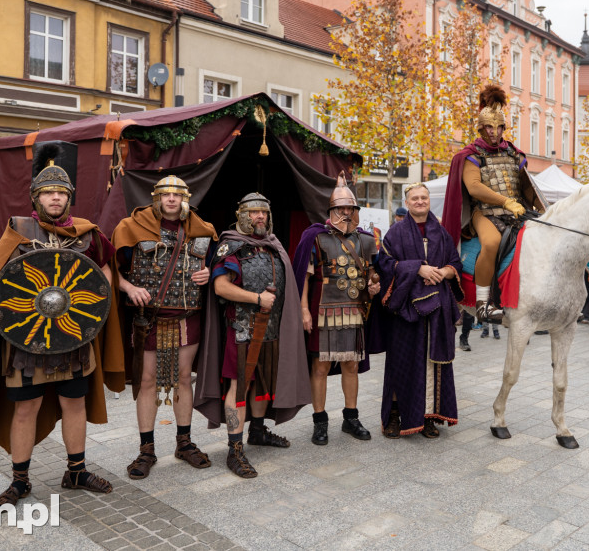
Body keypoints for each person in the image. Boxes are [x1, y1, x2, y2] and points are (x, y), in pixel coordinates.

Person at [0, 142, 125, 505]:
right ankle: (20, 480)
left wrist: (93, 304)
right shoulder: (18, 229)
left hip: (73, 337)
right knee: (25, 407)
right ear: (36, 197)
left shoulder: (87, 234)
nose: (55, 198)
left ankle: (76, 471)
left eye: (61, 193)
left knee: (74, 404)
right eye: (48, 192)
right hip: (28, 340)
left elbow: (106, 271)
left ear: (70, 198)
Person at [194, 193, 310, 478]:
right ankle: (234, 449)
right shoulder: (232, 246)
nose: (260, 217)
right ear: (242, 215)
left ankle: (257, 432)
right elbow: (221, 287)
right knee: (240, 387)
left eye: (264, 213)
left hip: (271, 329)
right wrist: (257, 299)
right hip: (242, 330)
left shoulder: (272, 245)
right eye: (254, 212)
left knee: (262, 384)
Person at [112, 176, 218, 479]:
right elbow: (110, 270)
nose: (171, 200)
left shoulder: (202, 229)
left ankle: (184, 443)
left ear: (185, 199)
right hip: (149, 319)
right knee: (147, 382)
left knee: (184, 378)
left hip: (188, 316)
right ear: (156, 198)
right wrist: (128, 287)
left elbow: (213, 267)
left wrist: (208, 272)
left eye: (177, 195)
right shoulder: (131, 227)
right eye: (165, 195)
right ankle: (146, 449)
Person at [442, 85, 545, 323]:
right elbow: (475, 187)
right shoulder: (472, 154)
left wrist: (546, 210)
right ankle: (482, 304)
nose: (494, 132)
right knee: (491, 243)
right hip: (484, 212)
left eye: (499, 127)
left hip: (517, 212)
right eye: (489, 126)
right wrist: (506, 201)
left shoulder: (513, 153)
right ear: (481, 127)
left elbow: (527, 186)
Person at [293, 173, 380, 446]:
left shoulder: (366, 240)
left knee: (351, 365)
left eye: (350, 209)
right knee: (319, 367)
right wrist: (304, 310)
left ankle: (350, 418)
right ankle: (320, 422)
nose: (346, 213)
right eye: (340, 208)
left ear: (356, 211)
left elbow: (373, 275)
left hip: (354, 310)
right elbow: (304, 277)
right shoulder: (315, 237)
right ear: (331, 211)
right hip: (322, 311)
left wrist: (374, 286)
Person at [375, 182, 463, 438]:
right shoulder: (395, 233)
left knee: (431, 363)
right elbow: (386, 264)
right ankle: (394, 416)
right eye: (415, 198)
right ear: (408, 201)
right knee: (400, 362)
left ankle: (427, 417)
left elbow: (454, 263)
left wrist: (444, 272)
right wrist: (418, 269)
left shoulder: (442, 233)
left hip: (437, 310)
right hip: (406, 309)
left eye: (424, 197)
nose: (420, 201)